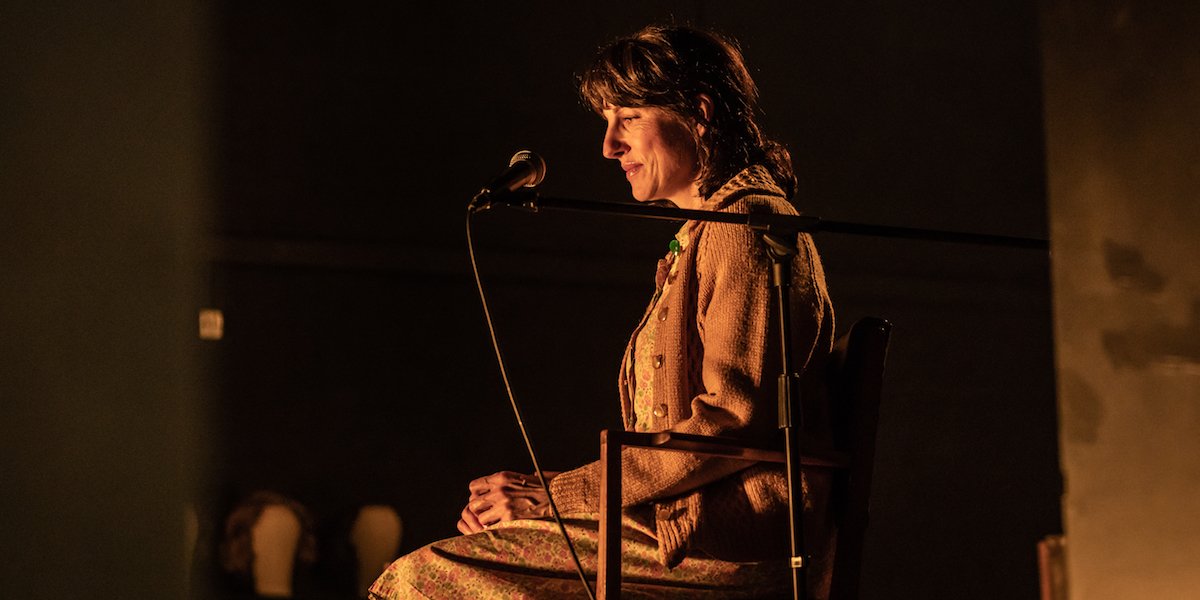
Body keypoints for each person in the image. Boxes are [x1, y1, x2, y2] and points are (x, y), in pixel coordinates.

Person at [369, 25, 836, 599]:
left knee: (424, 579)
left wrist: (554, 499)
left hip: (725, 547)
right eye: (606, 122)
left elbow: (731, 419)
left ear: (699, 113)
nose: (609, 146)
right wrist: (551, 490)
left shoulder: (746, 228)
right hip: (681, 527)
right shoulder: (707, 232)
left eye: (628, 118)